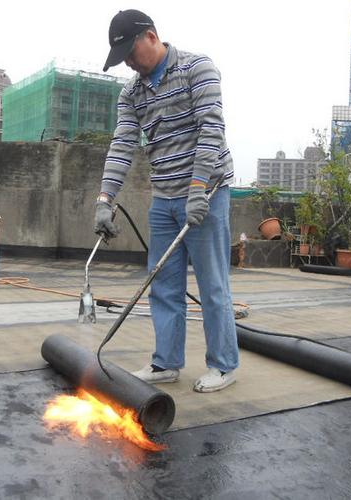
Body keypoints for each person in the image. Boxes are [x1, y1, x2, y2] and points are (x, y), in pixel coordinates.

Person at [94, 9, 239, 393]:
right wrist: (105, 199)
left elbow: (211, 130)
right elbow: (123, 145)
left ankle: (224, 366)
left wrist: (197, 189)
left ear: (152, 37)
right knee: (163, 284)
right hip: (164, 199)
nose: (127, 60)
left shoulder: (197, 68)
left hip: (206, 193)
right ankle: (167, 362)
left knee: (212, 286)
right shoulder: (132, 93)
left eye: (130, 50)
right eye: (121, 55)